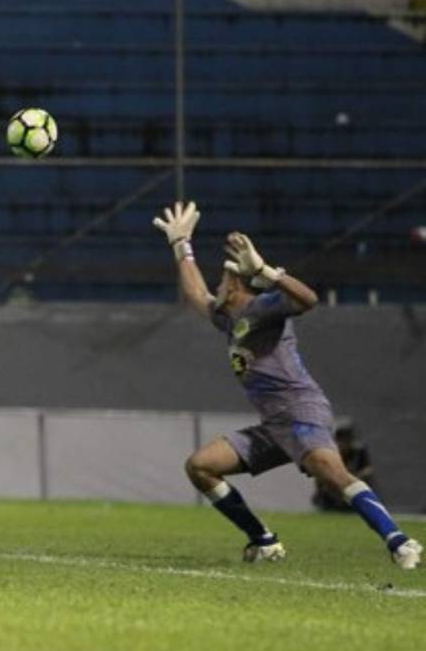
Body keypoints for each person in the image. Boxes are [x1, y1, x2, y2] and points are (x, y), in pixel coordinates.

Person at [154, 200, 421, 569]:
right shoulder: (229, 319)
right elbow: (196, 295)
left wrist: (267, 271)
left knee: (332, 475)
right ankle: (263, 541)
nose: (218, 285)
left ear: (235, 288)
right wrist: (181, 246)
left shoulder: (264, 308)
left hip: (301, 411)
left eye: (224, 278)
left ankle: (400, 541)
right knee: (200, 466)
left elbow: (308, 299)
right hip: (274, 425)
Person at [311, 422, 374, 512]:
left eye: (344, 441)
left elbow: (367, 469)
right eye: (338, 441)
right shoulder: (330, 450)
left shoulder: (358, 451)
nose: (341, 444)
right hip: (334, 483)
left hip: (353, 480)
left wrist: (355, 478)